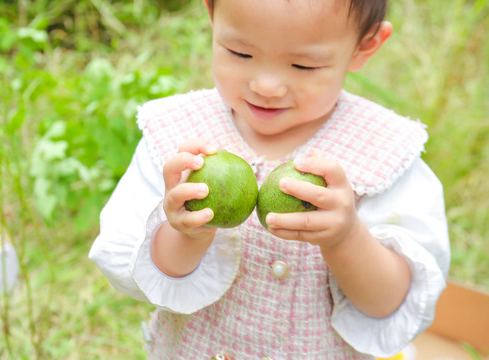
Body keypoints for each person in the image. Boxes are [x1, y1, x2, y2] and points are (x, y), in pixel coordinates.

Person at [89, 0, 450, 358]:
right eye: (240, 53)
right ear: (212, 17)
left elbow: (392, 306)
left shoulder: (381, 153)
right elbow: (135, 273)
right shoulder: (175, 139)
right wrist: (185, 232)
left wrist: (347, 239)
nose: (267, 86)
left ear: (365, 45)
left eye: (303, 65)